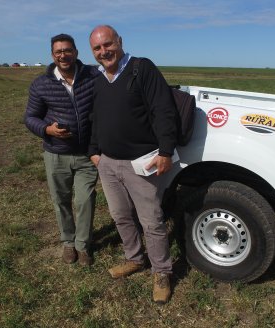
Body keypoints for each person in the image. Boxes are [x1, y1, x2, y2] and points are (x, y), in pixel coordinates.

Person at [88, 25, 178, 304]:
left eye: (108, 45)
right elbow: (97, 117)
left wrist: (165, 150)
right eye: (98, 49)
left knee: (151, 220)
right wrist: (93, 151)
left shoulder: (142, 68)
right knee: (121, 216)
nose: (104, 52)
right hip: (107, 162)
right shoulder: (99, 78)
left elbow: (163, 109)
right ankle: (134, 258)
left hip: (140, 162)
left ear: (120, 42)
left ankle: (162, 271)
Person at [25, 33, 99, 266]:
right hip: (56, 154)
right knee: (61, 200)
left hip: (87, 154)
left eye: (67, 50)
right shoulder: (41, 83)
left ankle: (83, 245)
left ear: (76, 52)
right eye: (58, 52)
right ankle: (68, 242)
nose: (63, 55)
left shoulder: (93, 77)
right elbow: (30, 117)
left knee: (85, 200)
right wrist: (47, 130)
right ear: (52, 55)